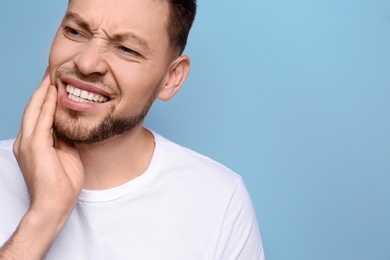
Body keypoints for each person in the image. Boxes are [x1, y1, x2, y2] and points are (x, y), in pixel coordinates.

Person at [0, 0, 265, 259]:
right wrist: (45, 216)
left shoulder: (219, 200)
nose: (87, 63)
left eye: (126, 49)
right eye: (75, 31)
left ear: (172, 78)